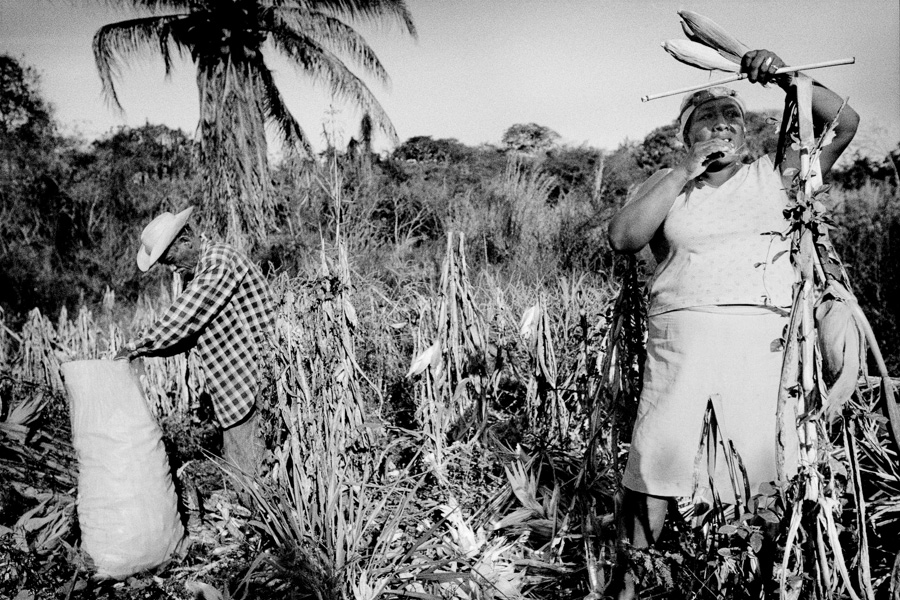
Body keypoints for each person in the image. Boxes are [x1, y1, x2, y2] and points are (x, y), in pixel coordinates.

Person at [607, 49, 858, 598]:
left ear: (748, 135)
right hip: (682, 334)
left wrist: (786, 75)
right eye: (707, 118)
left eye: (732, 117)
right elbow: (624, 238)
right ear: (686, 134)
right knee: (656, 454)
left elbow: (843, 123)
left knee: (760, 459)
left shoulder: (776, 176)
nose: (722, 123)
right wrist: (682, 172)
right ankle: (629, 584)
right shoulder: (667, 183)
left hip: (761, 338)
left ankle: (756, 578)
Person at [116, 206, 275, 478]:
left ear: (186, 240)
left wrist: (135, 346)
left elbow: (184, 318)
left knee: (250, 479)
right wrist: (144, 352)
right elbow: (185, 335)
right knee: (248, 475)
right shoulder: (201, 273)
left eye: (171, 259)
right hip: (238, 388)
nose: (174, 268)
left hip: (251, 383)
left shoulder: (219, 262)